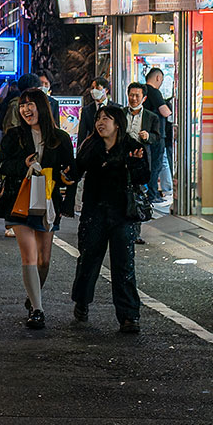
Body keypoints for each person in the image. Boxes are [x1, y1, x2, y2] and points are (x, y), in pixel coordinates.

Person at [0, 88, 76, 330]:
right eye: (23, 105)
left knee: (44, 260)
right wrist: (22, 164)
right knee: (29, 255)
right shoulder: (14, 135)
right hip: (20, 200)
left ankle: (33, 293)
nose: (26, 109)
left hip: (47, 202)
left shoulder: (60, 137)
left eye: (31, 104)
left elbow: (71, 170)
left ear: (42, 107)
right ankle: (38, 309)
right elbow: (2, 166)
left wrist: (66, 177)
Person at [70, 102, 148, 334]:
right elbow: (76, 171)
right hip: (94, 211)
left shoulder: (132, 146)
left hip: (123, 213)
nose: (100, 123)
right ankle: (82, 302)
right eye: (98, 119)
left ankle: (129, 316)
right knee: (88, 260)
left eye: (106, 119)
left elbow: (144, 176)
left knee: (124, 264)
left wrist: (133, 164)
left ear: (117, 123)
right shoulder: (90, 145)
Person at [123, 83, 163, 244]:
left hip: (140, 160)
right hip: (122, 158)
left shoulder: (151, 117)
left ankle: (135, 232)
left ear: (144, 98)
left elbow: (157, 137)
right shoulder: (120, 114)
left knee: (137, 195)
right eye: (131, 95)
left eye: (137, 96)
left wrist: (147, 137)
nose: (133, 98)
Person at [144, 66, 175, 215]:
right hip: (157, 134)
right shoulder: (154, 91)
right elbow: (165, 112)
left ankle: (155, 193)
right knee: (156, 165)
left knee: (156, 163)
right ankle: (153, 195)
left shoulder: (144, 91)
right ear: (158, 78)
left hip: (149, 133)